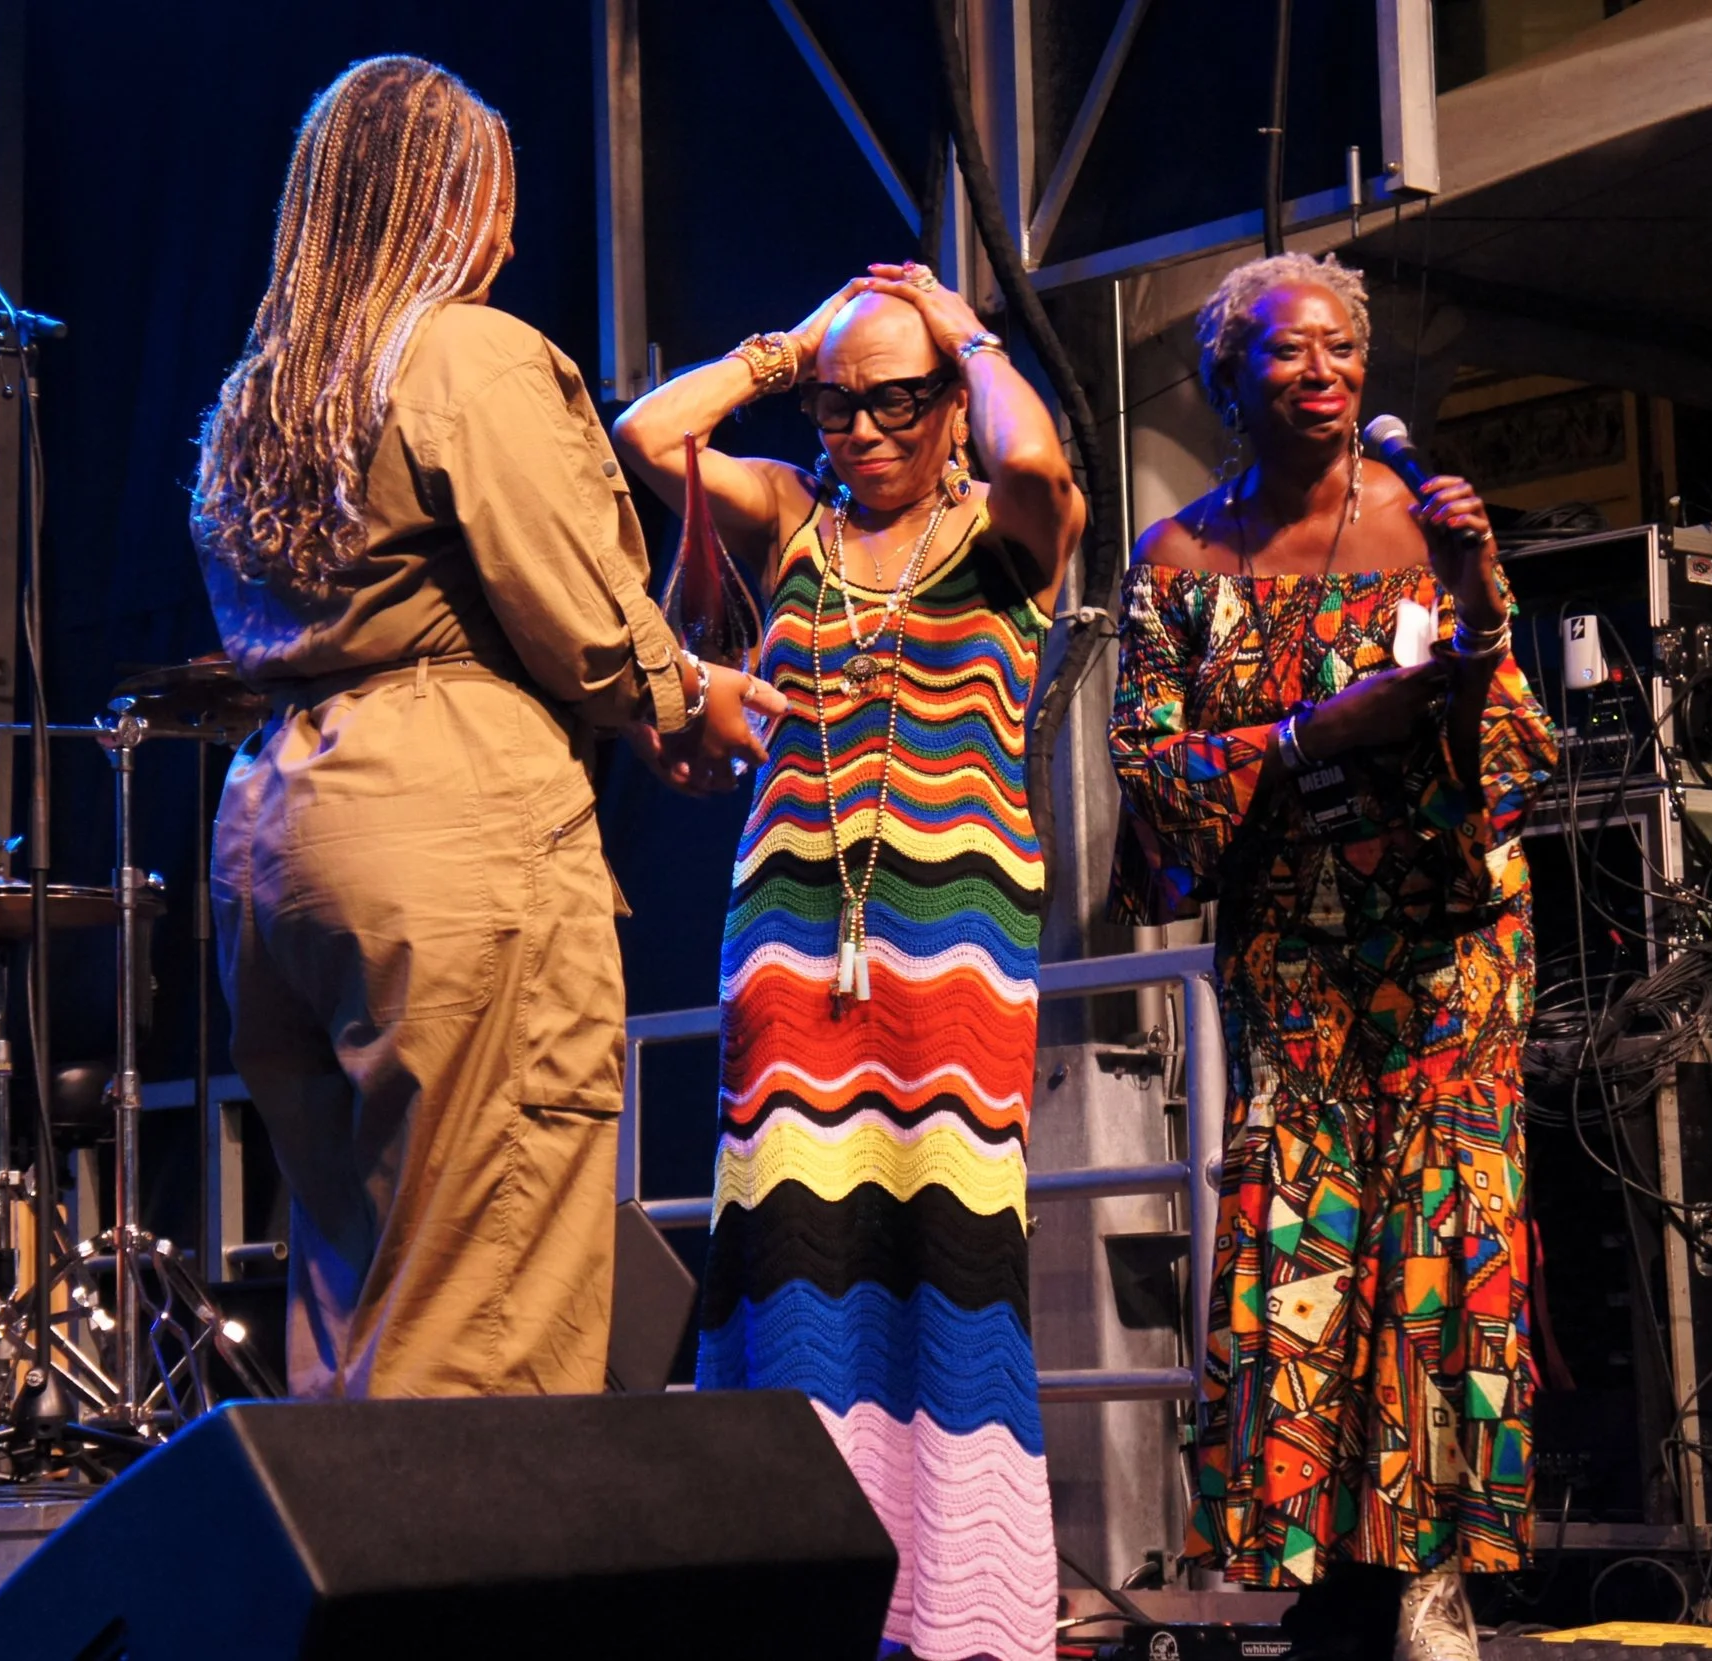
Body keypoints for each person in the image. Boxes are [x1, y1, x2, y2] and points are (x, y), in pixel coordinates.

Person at [191, 57, 778, 1399]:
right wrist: (688, 697)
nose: (509, 237)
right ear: (436, 202)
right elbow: (566, 589)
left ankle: (348, 1601)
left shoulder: (260, 398)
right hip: (450, 816)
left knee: (359, 1291)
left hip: (286, 826)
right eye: (494, 203)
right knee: (488, 1285)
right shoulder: (464, 349)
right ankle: (461, 1612)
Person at [613, 266, 1085, 1661]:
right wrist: (789, 350)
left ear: (947, 403)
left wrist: (970, 334)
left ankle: (955, 1615)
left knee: (946, 1251)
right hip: (789, 949)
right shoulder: (788, 527)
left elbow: (1039, 454)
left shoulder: (1007, 537)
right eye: (842, 406)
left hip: (956, 962)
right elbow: (648, 437)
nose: (866, 430)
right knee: (792, 1252)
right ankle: (796, 1593)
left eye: (898, 401)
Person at [1106, 252, 1557, 1661]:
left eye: (1340, 352)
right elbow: (1153, 785)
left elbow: (1516, 747)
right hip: (1294, 952)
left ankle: (1434, 1569)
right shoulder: (1177, 564)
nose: (1323, 373)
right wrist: (1311, 735)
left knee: (1444, 1238)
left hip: (1448, 946)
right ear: (1228, 379)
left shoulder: (1424, 531)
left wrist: (1483, 603)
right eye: (1289, 353)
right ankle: (1321, 1564)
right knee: (1308, 1235)